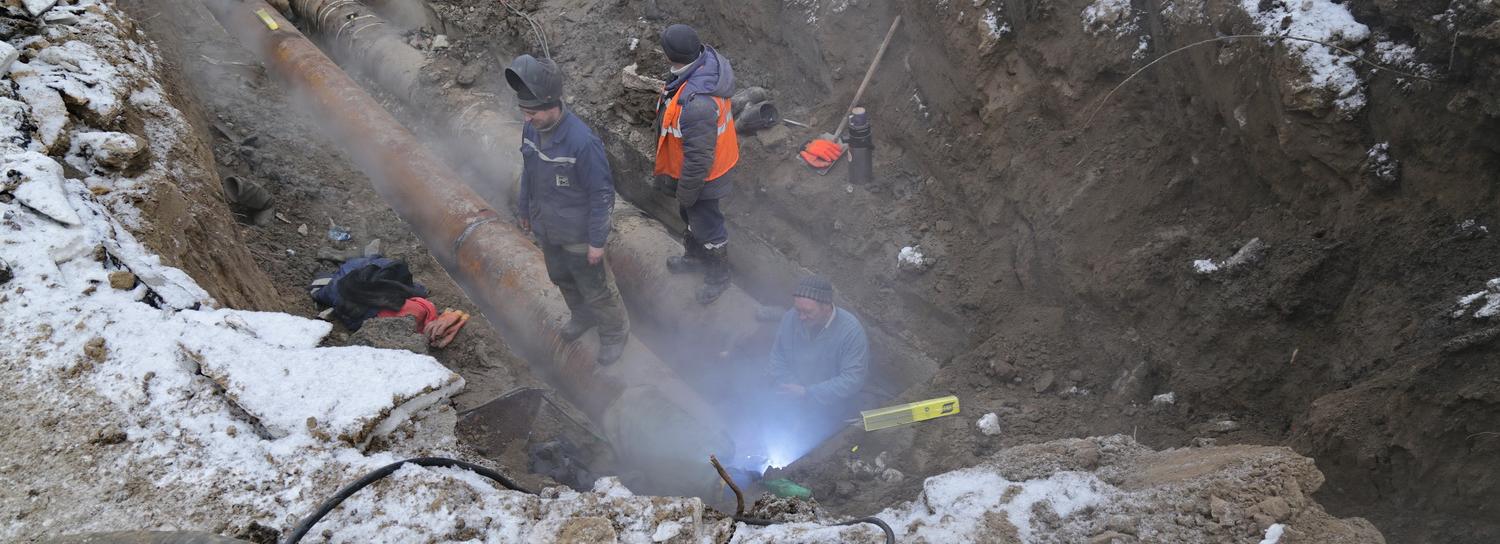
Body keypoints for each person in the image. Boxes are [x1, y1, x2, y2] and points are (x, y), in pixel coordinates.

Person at [506, 54, 630, 365]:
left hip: (577, 232)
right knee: (561, 276)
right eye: (523, 112)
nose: (527, 119)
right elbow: (529, 172)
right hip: (548, 227)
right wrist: (524, 208)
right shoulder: (531, 130)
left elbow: (602, 193)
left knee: (596, 288)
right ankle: (581, 316)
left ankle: (614, 334)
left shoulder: (581, 142)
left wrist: (597, 241)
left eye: (532, 112)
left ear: (552, 105)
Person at [654, 24, 740, 305]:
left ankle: (719, 275)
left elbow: (700, 157)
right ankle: (694, 256)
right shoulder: (696, 68)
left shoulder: (697, 104)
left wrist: (688, 192)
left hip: (704, 176)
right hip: (693, 172)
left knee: (709, 227)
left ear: (669, 55)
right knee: (692, 217)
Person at [769, 276, 870, 427]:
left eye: (808, 312)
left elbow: (852, 379)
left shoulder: (851, 332)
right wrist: (793, 389)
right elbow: (778, 356)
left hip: (832, 404)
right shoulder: (792, 317)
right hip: (796, 395)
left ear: (826, 307)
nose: (801, 317)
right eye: (798, 310)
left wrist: (809, 394)